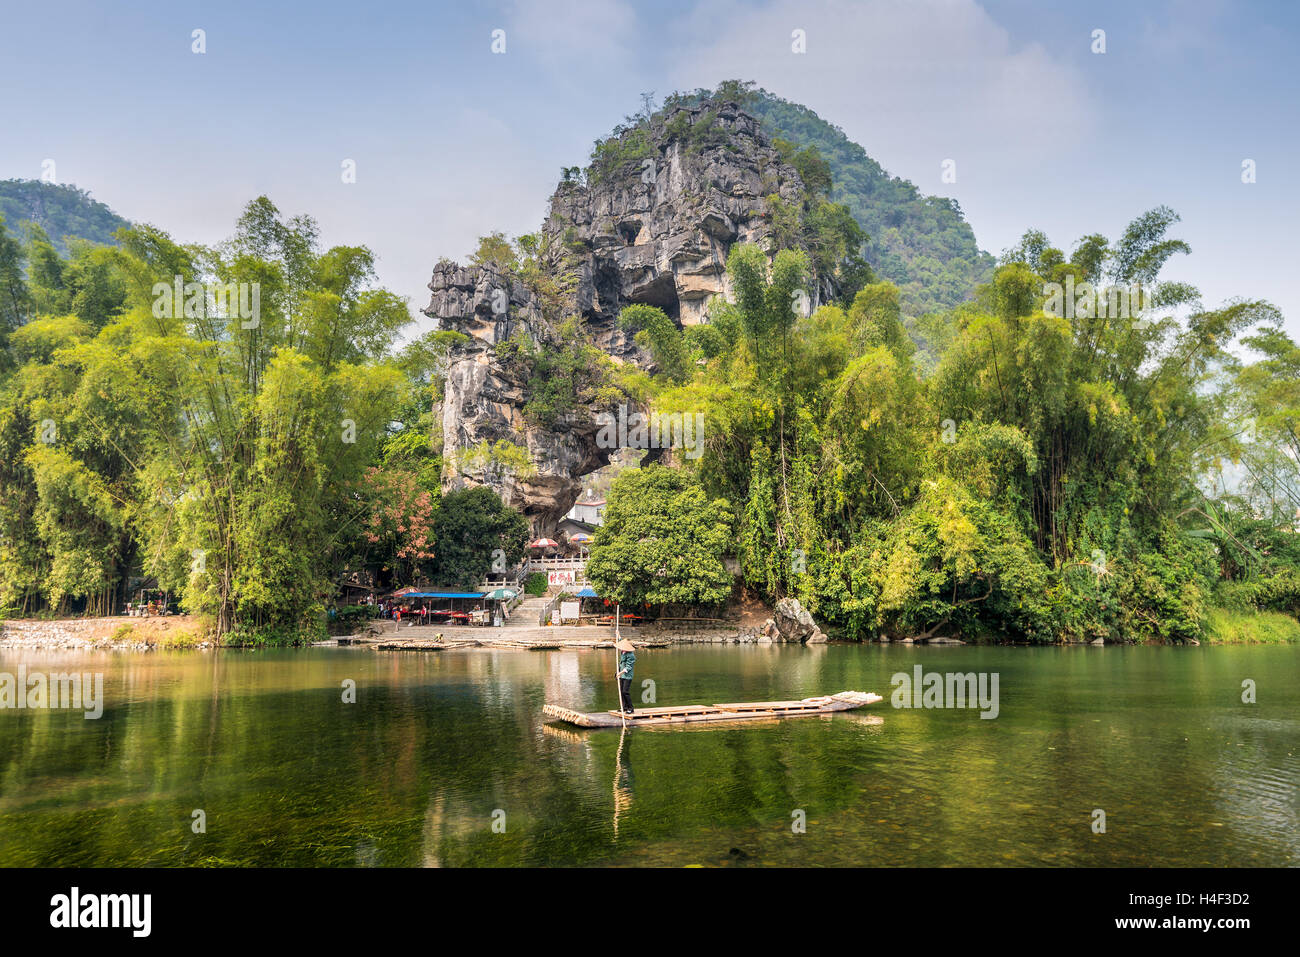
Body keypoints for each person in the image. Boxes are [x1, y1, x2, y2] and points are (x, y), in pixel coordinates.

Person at [616, 637, 636, 715]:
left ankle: (631, 708)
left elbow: (628, 667)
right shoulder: (623, 651)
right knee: (621, 691)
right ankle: (624, 707)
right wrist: (618, 635)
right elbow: (620, 641)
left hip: (627, 676)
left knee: (625, 691)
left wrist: (619, 673)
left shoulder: (631, 655)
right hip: (621, 675)